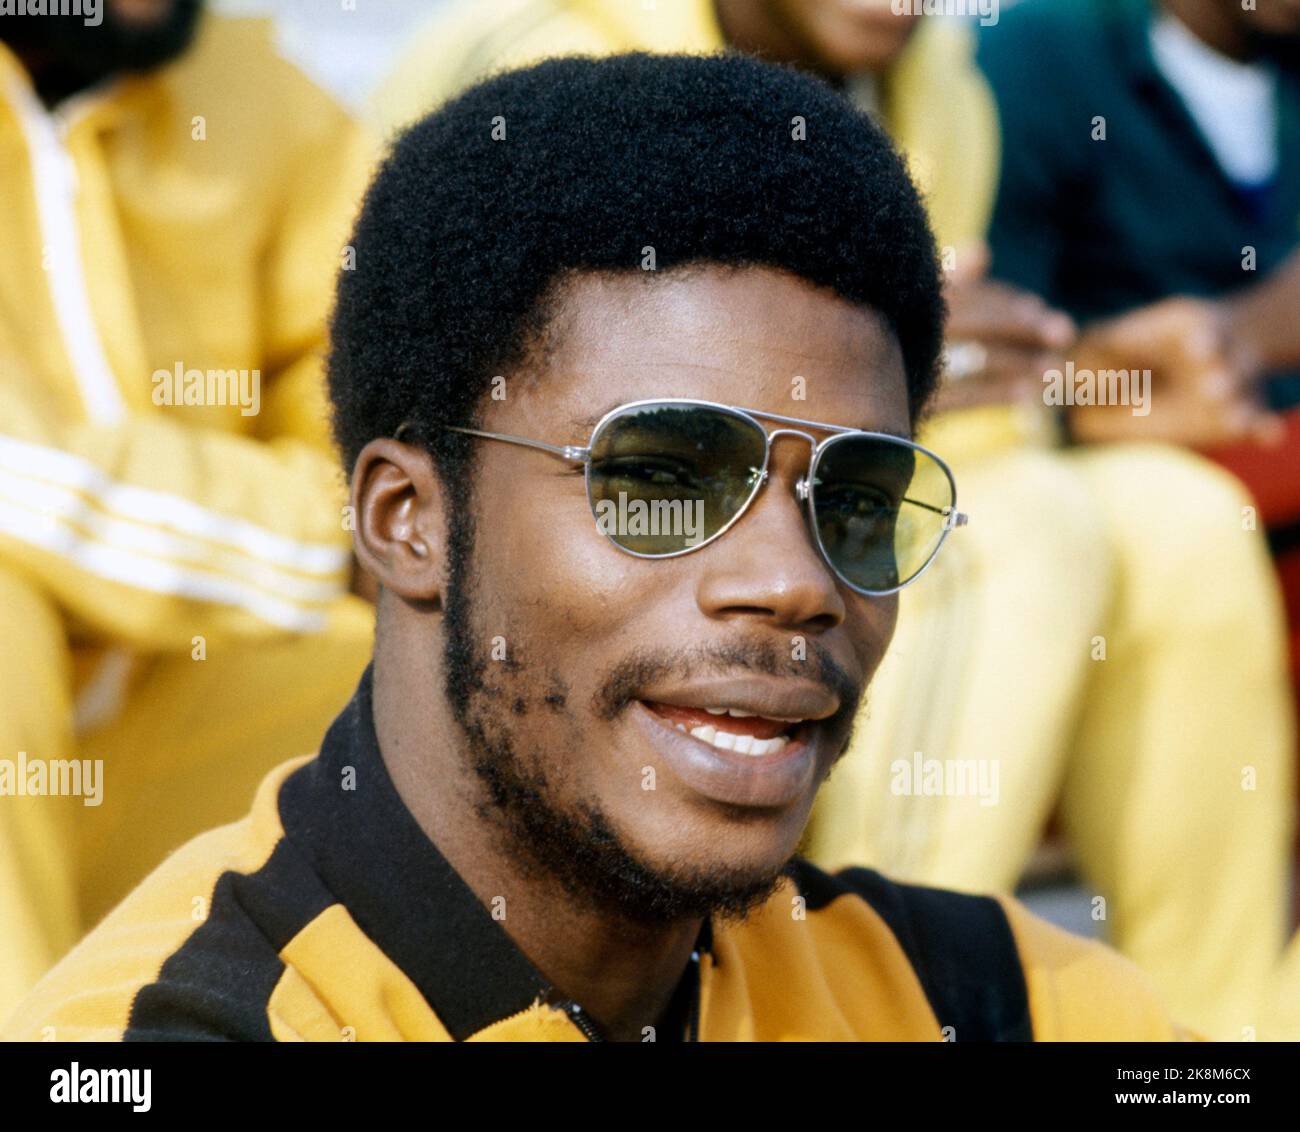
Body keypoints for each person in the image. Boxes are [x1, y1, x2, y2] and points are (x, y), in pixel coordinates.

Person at [0, 52, 1195, 1043]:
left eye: (858, 502)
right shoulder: (167, 1036)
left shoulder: (989, 1001)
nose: (794, 581)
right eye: (662, 481)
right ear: (406, 520)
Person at [372, 0, 1295, 1039]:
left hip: (845, 479)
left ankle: (1221, 1035)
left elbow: (898, 429)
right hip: (460, 565)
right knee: (1013, 541)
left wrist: (1066, 386)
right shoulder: (548, 60)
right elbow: (453, 405)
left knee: (1186, 521)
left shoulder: (937, 80)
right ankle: (852, 1007)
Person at [0, 0, 373, 1020]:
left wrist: (362, 542)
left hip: (164, 714)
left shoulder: (263, 101)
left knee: (475, 677)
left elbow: (388, 439)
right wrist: (324, 541)